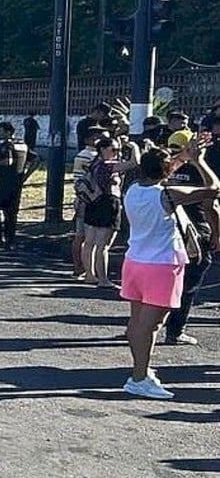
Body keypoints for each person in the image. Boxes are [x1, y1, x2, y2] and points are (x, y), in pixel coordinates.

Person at [119, 139, 218, 399]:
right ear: (166, 171)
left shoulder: (132, 188)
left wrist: (184, 156)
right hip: (162, 265)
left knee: (137, 323)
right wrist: (199, 161)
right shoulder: (168, 194)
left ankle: (141, 371)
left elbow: (162, 169)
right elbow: (213, 188)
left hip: (135, 262)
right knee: (150, 326)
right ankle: (139, 377)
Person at [162, 128, 219, 346]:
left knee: (163, 282)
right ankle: (175, 330)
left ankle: (147, 324)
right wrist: (217, 232)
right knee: (189, 283)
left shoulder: (162, 168)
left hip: (166, 231)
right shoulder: (199, 171)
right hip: (195, 230)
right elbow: (211, 202)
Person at [81, 136, 141, 287]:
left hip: (93, 202)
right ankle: (103, 279)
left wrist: (120, 147)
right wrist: (134, 147)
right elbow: (134, 163)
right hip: (108, 203)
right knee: (103, 245)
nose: (116, 152)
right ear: (102, 149)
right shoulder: (107, 166)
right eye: (113, 150)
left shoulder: (94, 164)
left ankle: (89, 274)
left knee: (90, 242)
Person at [71, 126, 109, 278]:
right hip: (87, 200)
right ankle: (81, 268)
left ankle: (84, 269)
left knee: (86, 237)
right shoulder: (89, 156)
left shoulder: (92, 156)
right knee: (84, 237)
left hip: (87, 199)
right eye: (99, 138)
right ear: (88, 140)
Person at [0, 122, 28, 251]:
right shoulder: (22, 145)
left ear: (8, 132)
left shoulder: (7, 145)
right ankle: (10, 241)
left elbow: (7, 161)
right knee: (11, 212)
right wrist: (24, 176)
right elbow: (35, 159)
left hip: (4, 181)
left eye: (0, 131)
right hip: (16, 183)